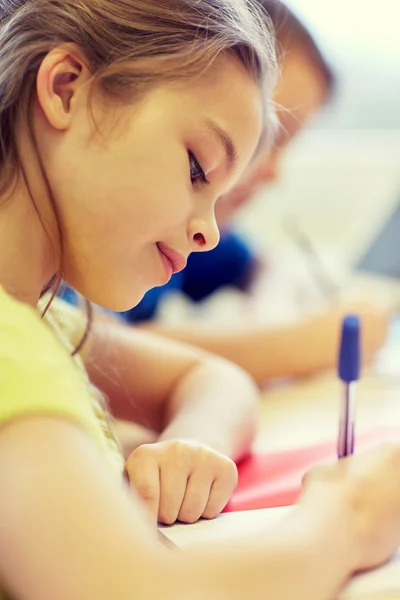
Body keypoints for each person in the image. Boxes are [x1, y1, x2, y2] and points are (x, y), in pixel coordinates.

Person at [1, 2, 400, 600]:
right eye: (195, 168)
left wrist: (193, 442)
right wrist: (350, 517)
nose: (210, 232)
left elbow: (212, 376)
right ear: (65, 88)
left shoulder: (49, 322)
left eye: (220, 196)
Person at [104, 0, 387, 385]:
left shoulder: (191, 229)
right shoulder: (112, 223)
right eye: (270, 138)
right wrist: (309, 342)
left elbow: (254, 264)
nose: (272, 172)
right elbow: (101, 351)